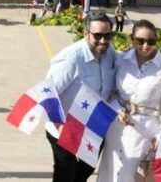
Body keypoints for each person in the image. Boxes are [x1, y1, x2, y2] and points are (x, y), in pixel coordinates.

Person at [97, 20, 161, 182]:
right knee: (112, 171)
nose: (145, 45)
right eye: (140, 41)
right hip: (117, 126)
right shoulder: (120, 59)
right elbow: (113, 92)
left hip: (146, 131)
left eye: (151, 41)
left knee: (134, 175)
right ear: (132, 39)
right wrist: (117, 109)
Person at [45, 11, 117, 182]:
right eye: (98, 35)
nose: (103, 41)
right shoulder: (69, 58)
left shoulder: (110, 54)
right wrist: (60, 127)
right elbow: (48, 94)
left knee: (85, 171)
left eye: (108, 36)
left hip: (93, 128)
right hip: (65, 127)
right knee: (66, 174)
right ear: (86, 33)